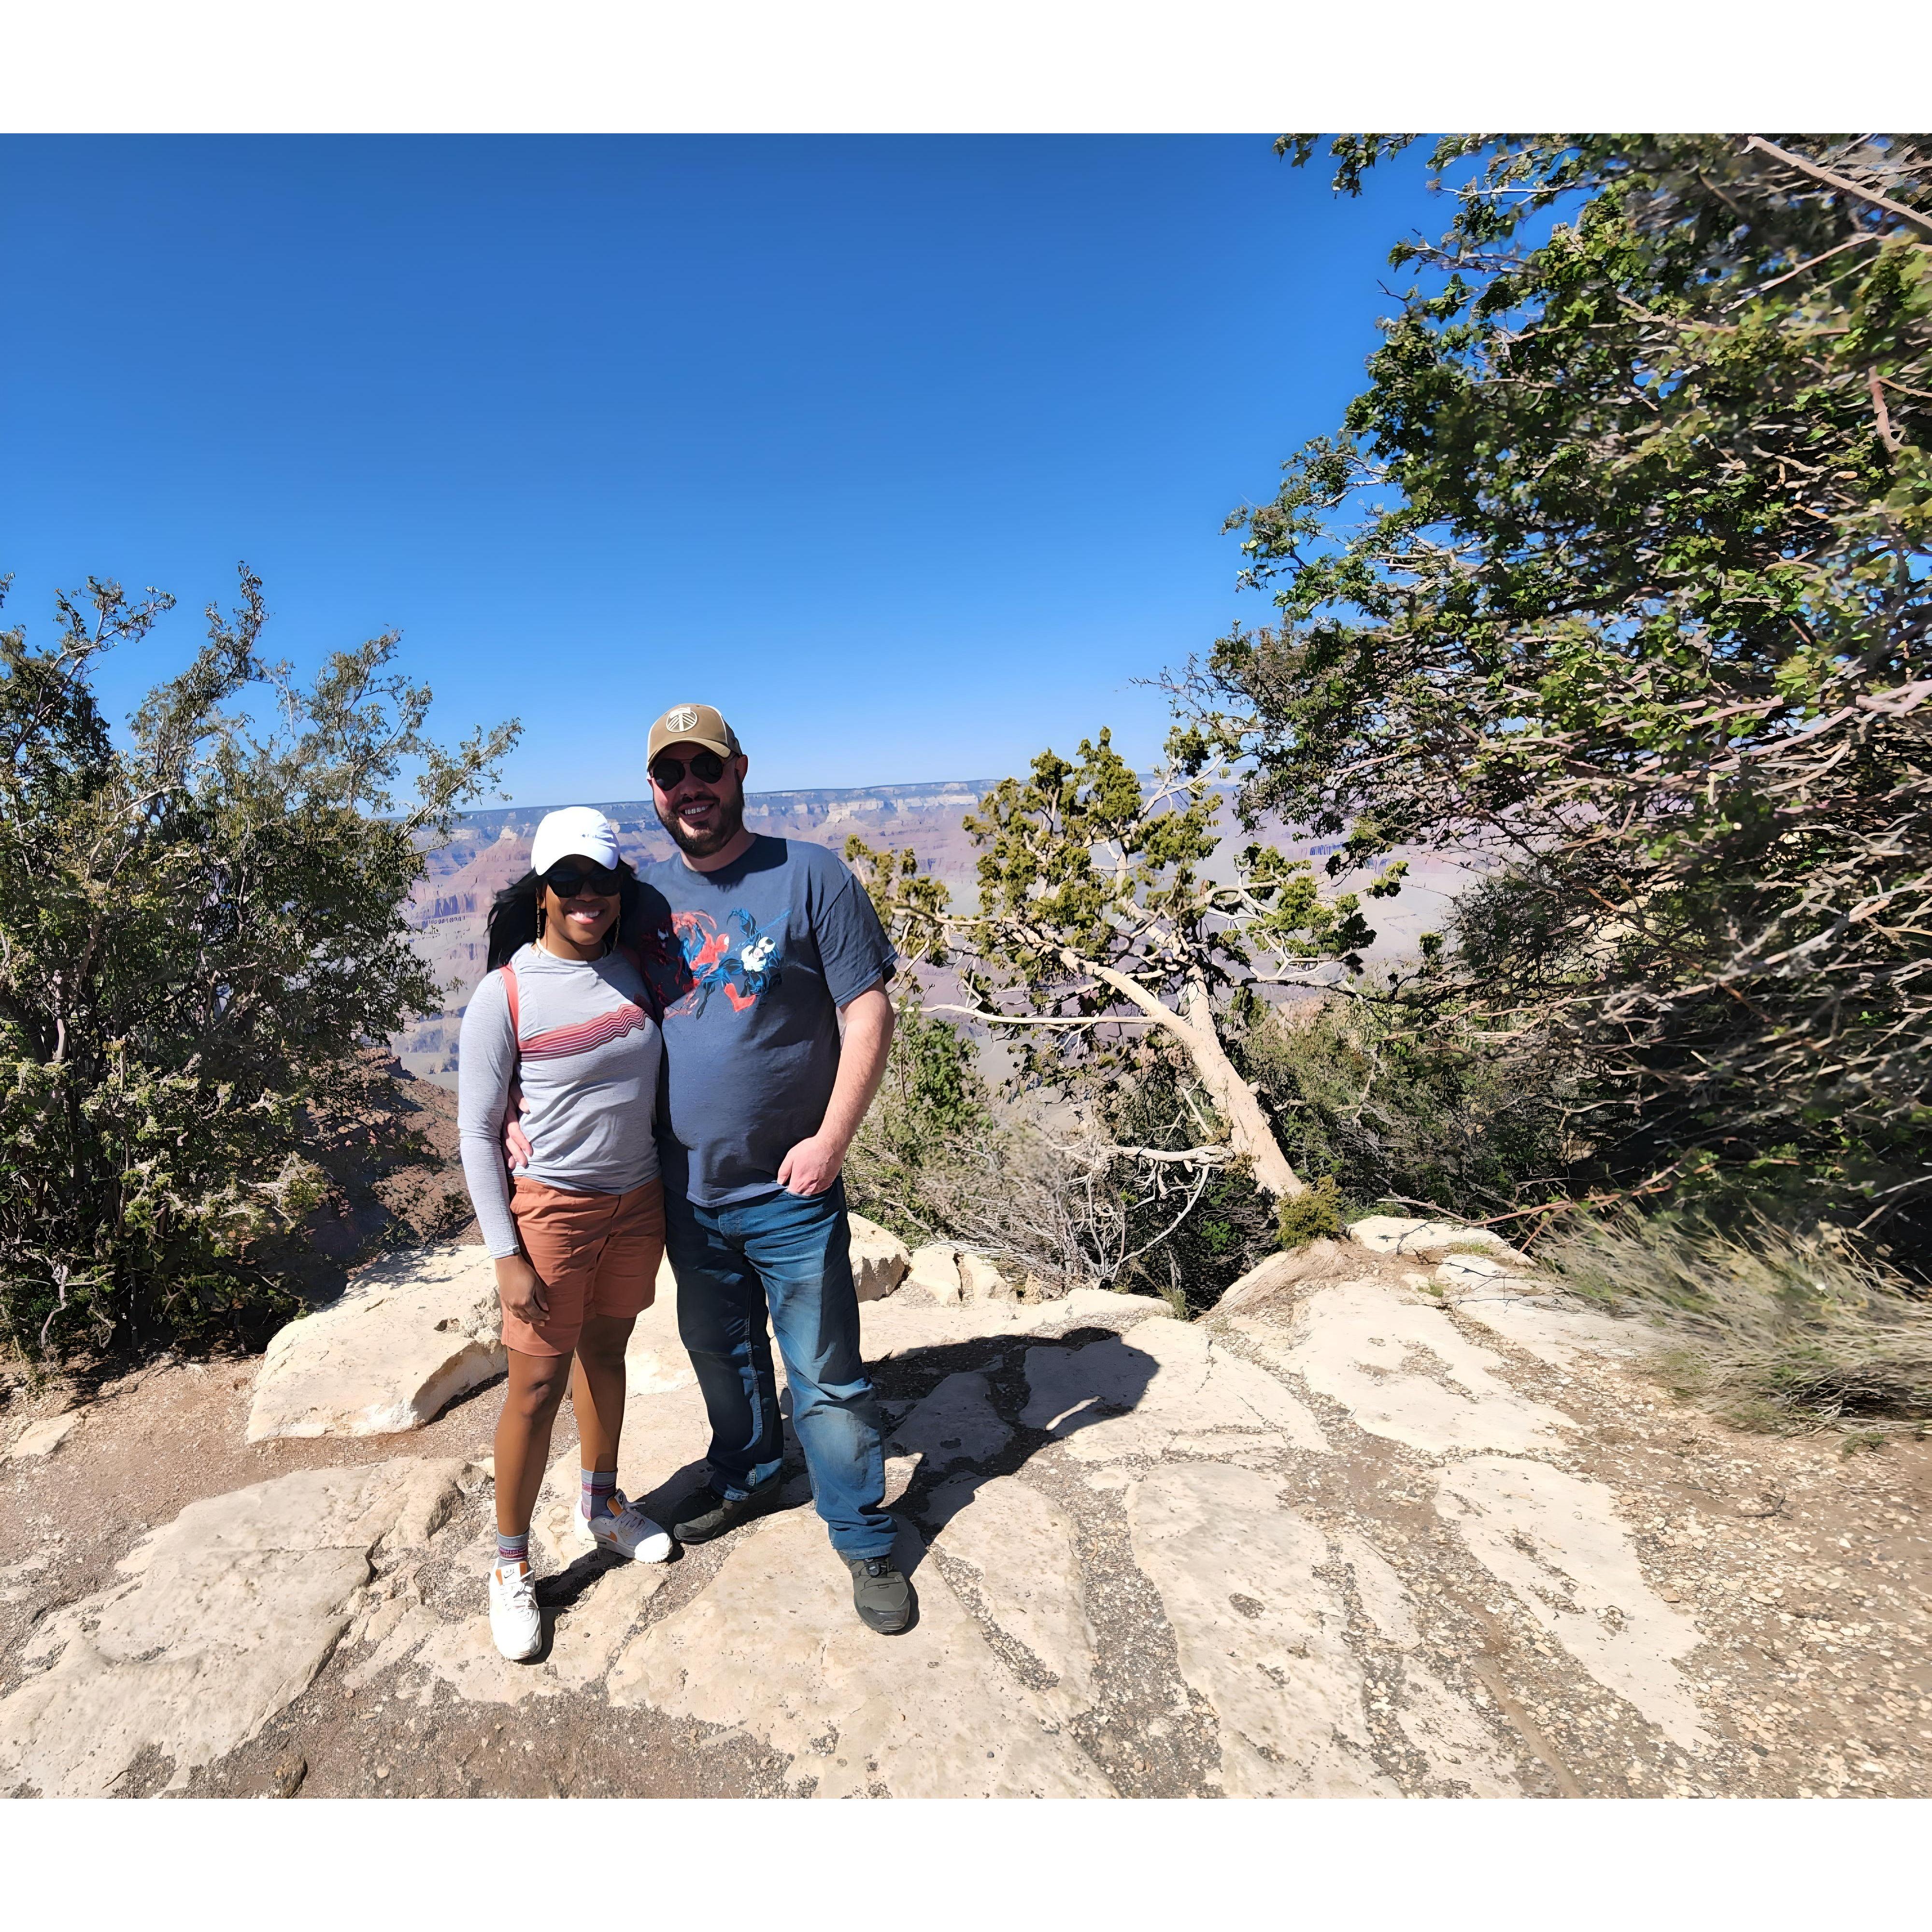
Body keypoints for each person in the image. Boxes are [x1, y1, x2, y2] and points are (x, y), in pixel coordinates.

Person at [509, 704, 909, 1633]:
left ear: (738, 772)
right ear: (654, 792)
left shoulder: (810, 875)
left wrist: (832, 1141)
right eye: (670, 774)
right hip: (684, 1193)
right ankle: (751, 1473)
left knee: (828, 1376)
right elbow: (544, 969)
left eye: (707, 768)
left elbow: (869, 1012)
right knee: (720, 1357)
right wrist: (512, 1113)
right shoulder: (636, 897)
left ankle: (863, 1537)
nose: (691, 787)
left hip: (789, 1192)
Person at [458, 806, 674, 1663]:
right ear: (543, 893)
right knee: (534, 1389)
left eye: (603, 881)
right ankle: (510, 1566)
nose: (588, 895)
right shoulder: (505, 992)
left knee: (608, 1354)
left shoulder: (638, 971)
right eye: (570, 881)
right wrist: (505, 1252)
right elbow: (476, 1132)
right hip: (552, 1212)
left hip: (638, 1202)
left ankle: (603, 1502)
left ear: (621, 889)